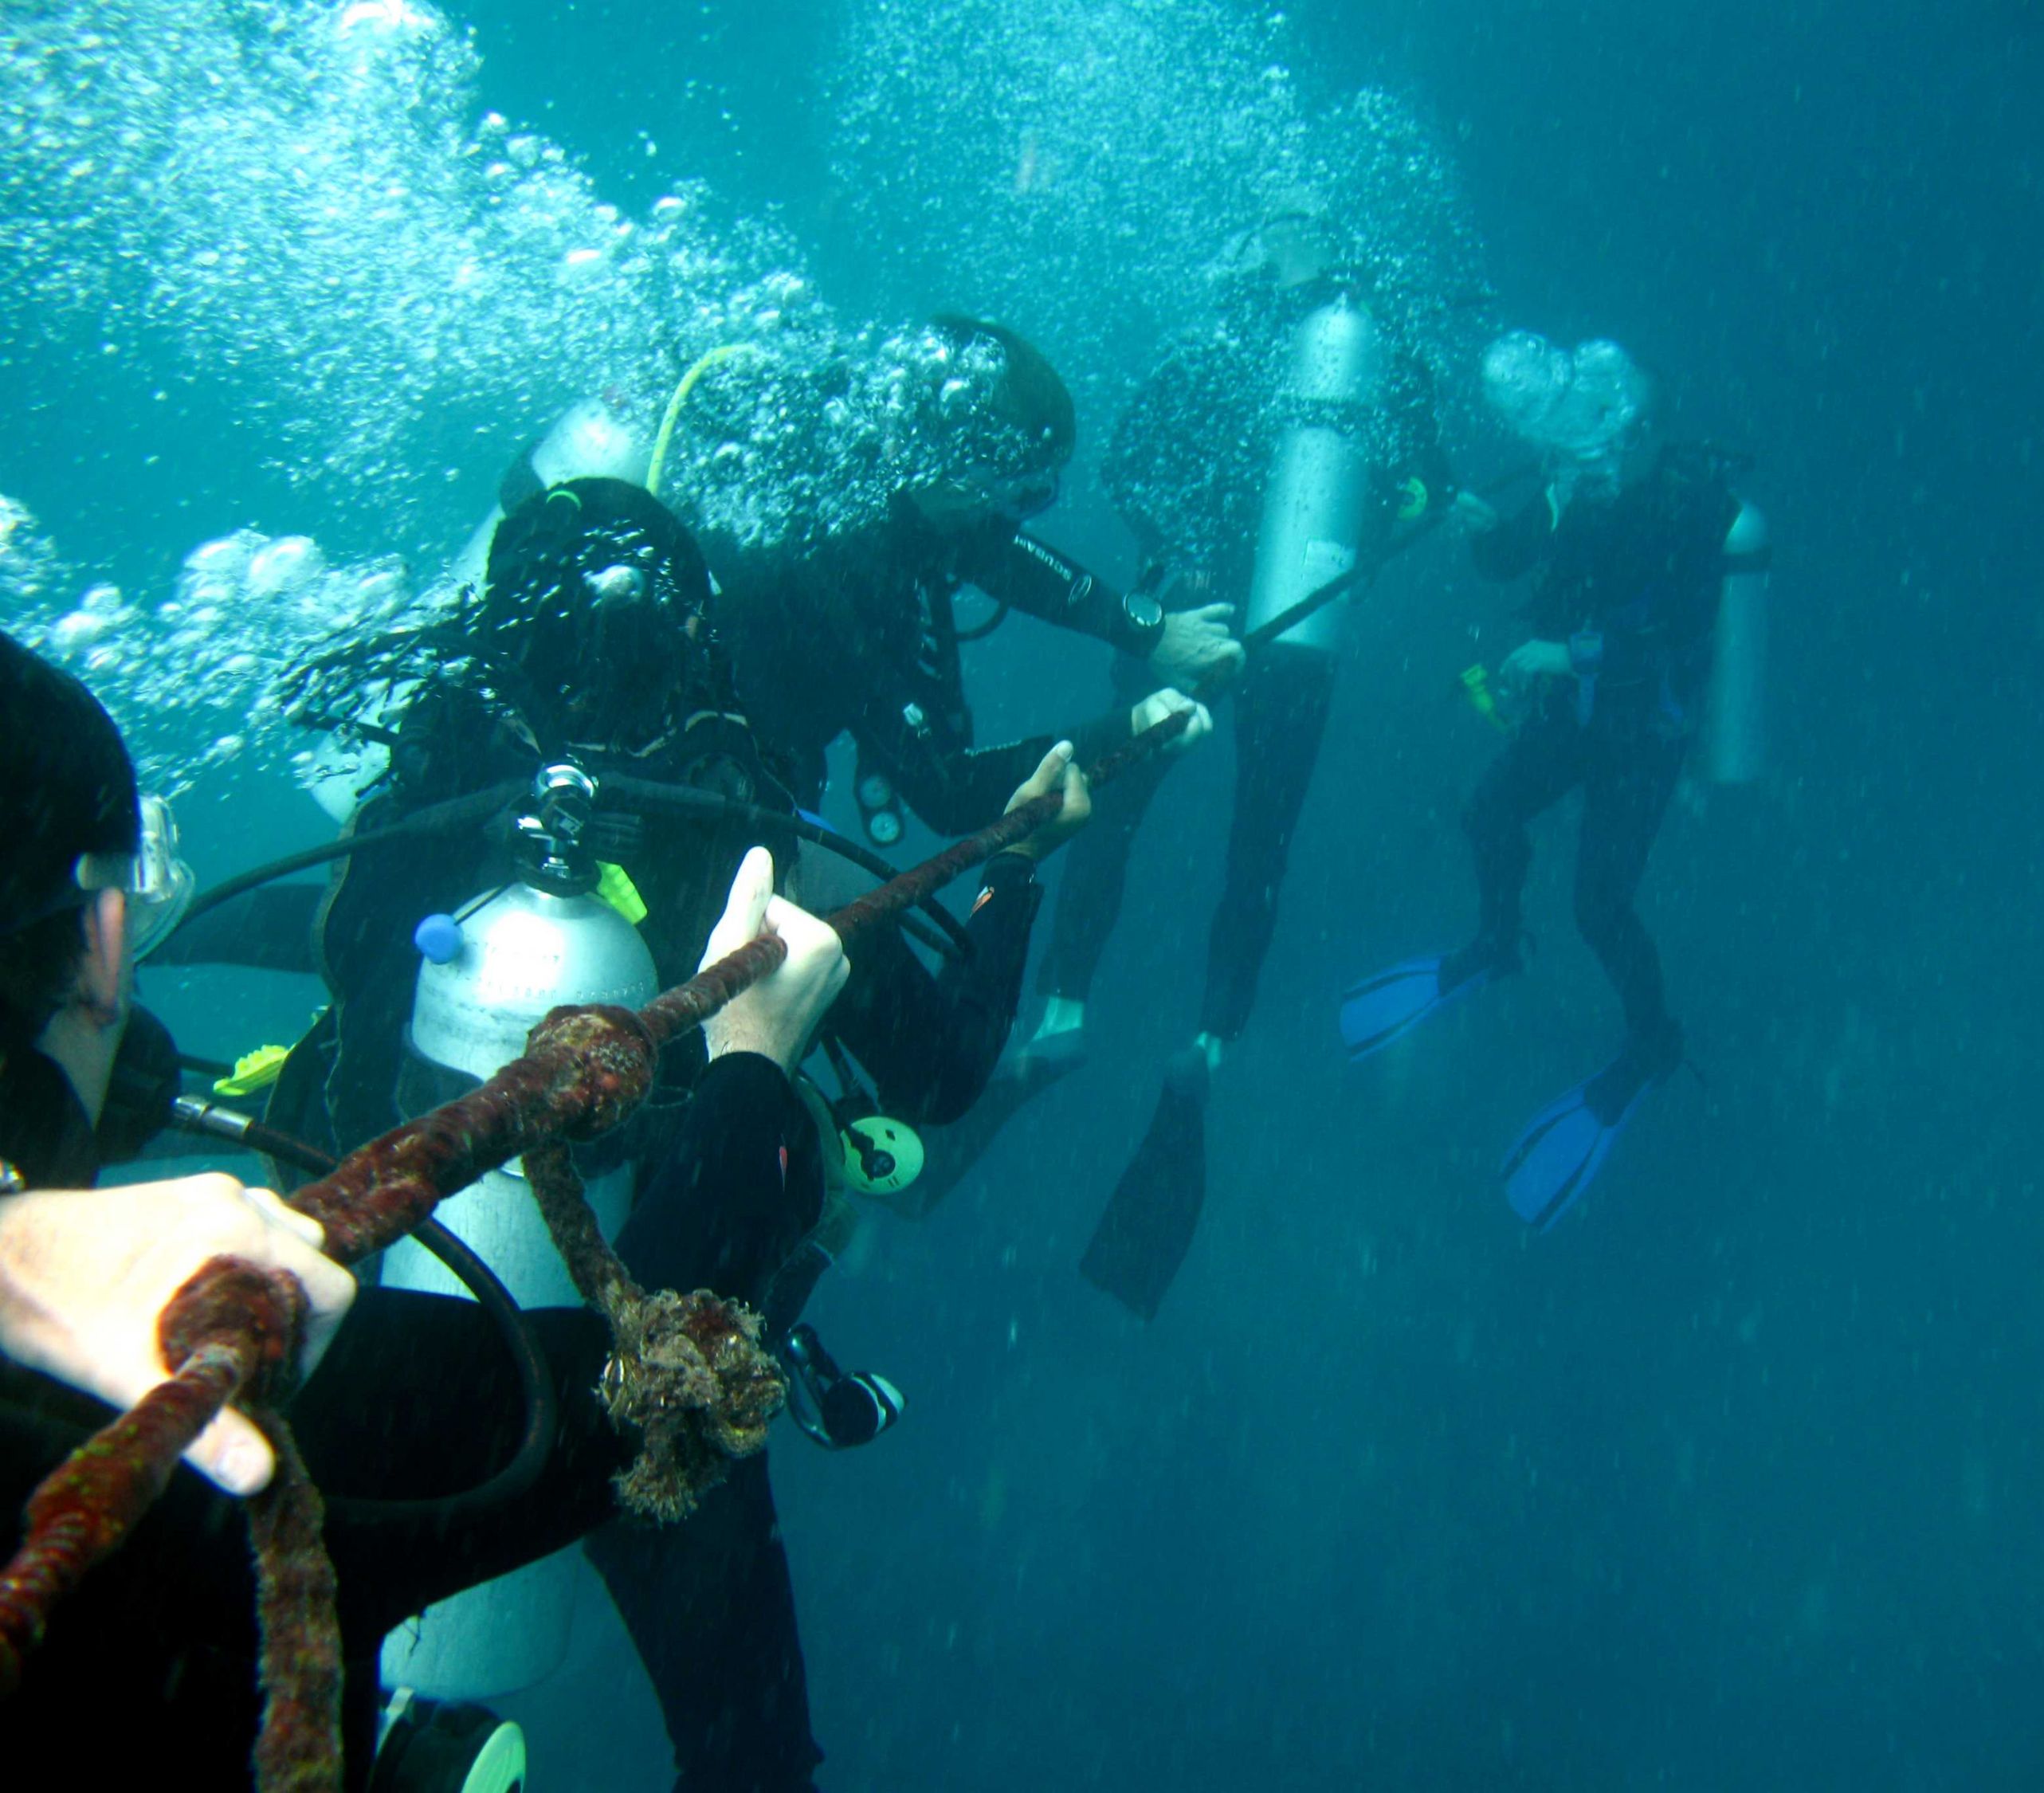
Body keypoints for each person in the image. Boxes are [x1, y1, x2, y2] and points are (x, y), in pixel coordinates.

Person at [261, 475, 1091, 1791]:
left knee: (323, 1673)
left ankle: (423, 1736)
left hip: (392, 1352)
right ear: (698, 640)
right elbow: (939, 1071)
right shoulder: (730, 825)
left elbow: (339, 1064)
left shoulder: (427, 801)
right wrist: (1017, 870)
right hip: (648, 1354)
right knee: (752, 1753)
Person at [0, 626, 858, 1787]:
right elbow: (610, 1391)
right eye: (140, 905)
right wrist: (753, 1066)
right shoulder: (188, 1351)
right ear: (102, 947)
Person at [940, 204, 1452, 1317]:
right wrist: (1359, 537)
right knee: (1259, 839)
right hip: (1296, 628)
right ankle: (1208, 1045)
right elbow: (1430, 489)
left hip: (1186, 615)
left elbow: (1126, 463)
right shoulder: (1377, 366)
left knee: (1109, 806)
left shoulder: (1219, 350)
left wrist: (1183, 555)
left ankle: (1063, 1014)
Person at [1338, 332, 1771, 1232]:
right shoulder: (1572, 479)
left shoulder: (1692, 505)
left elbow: (1684, 635)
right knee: (1487, 812)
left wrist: (1566, 650)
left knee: (1599, 907)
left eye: (1615, 432)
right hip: (1575, 712)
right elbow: (1515, 560)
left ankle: (1653, 1046)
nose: (1596, 452)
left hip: (1645, 732)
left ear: (1646, 431)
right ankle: (1499, 944)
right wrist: (1487, 531)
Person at [693, 313, 1225, 849]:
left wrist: (1147, 632)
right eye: (1021, 495)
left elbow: (1004, 560)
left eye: (1037, 496)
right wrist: (1131, 728)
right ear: (947, 468)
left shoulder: (910, 501)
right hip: (714, 781)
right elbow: (951, 792)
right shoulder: (832, 558)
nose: (1011, 520)